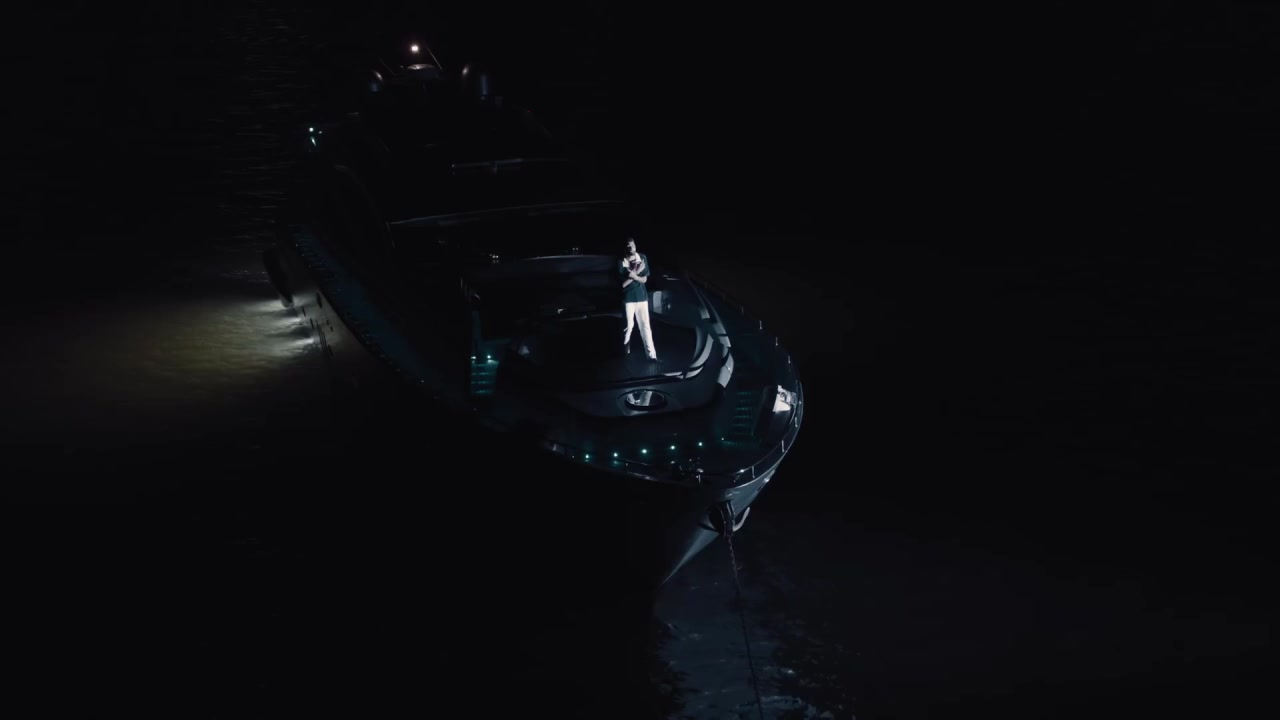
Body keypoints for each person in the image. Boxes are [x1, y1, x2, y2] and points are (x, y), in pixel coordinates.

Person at [620, 238, 657, 360]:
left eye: (633, 245)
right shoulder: (622, 261)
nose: (631, 248)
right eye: (628, 246)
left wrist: (633, 275)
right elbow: (623, 284)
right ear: (625, 248)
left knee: (645, 326)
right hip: (628, 298)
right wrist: (638, 271)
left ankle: (652, 356)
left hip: (642, 297)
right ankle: (626, 353)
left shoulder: (642, 258)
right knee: (628, 327)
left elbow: (644, 279)